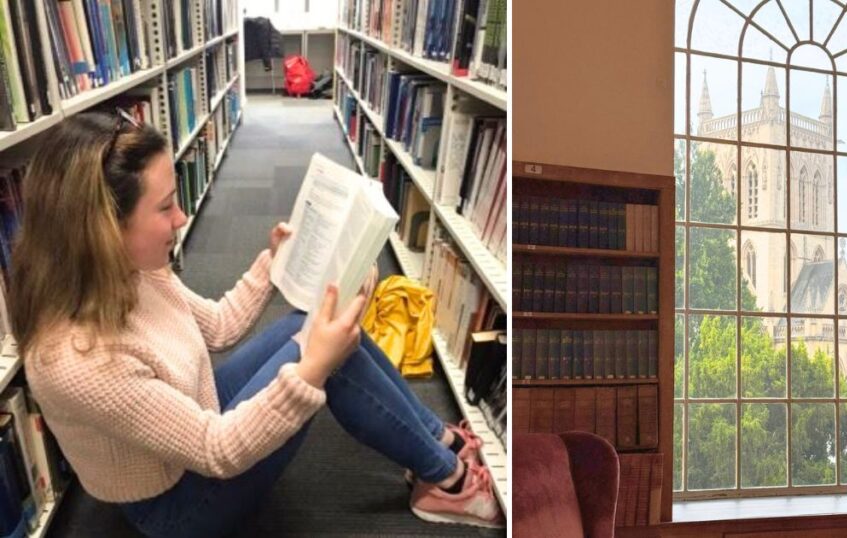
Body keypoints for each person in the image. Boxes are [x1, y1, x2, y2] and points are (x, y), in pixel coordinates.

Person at [8, 111, 504, 537]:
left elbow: (218, 327)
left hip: (192, 415)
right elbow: (216, 450)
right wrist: (312, 370)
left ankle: (439, 441)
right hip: (175, 504)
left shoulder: (132, 269)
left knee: (311, 325)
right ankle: (448, 479)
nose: (181, 219)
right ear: (101, 229)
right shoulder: (77, 359)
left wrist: (273, 262)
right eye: (164, 208)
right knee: (324, 353)